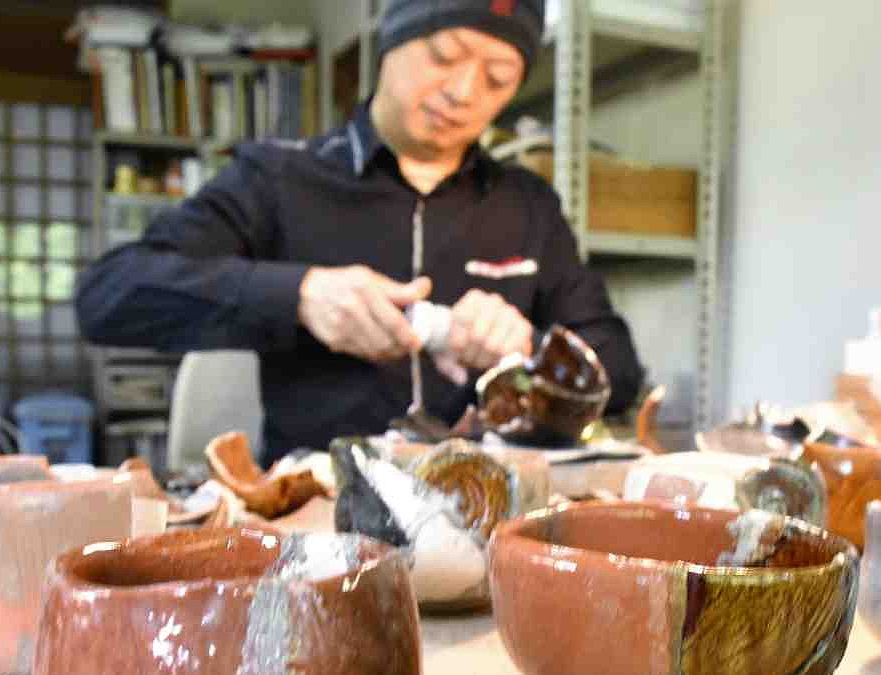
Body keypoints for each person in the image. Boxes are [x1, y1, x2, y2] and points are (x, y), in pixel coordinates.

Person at [77, 0, 644, 465]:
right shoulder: (278, 179)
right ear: (391, 38)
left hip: (488, 506)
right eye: (444, 55)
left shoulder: (527, 205)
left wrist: (529, 348)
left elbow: (618, 368)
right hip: (321, 513)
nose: (465, 92)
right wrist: (298, 295)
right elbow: (108, 296)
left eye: (499, 79)